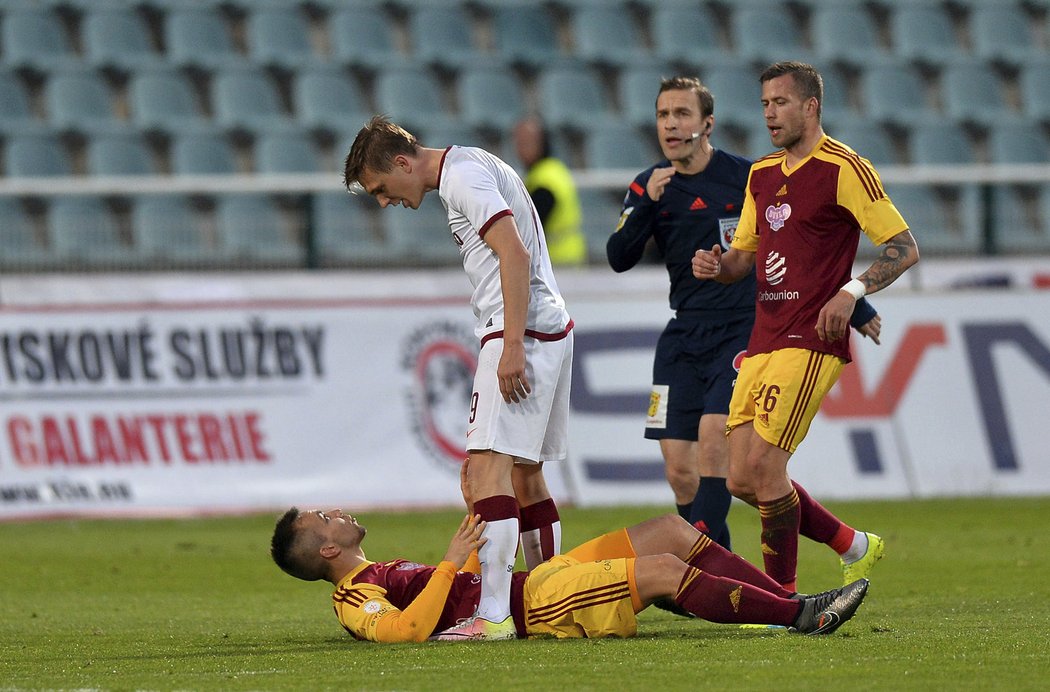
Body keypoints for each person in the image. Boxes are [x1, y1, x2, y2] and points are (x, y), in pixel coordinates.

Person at [607, 76, 881, 553]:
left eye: (682, 114)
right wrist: (648, 202)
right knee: (679, 470)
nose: (670, 125)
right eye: (662, 115)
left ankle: (703, 570)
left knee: (715, 439)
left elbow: (801, 245)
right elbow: (618, 255)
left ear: (707, 123)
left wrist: (857, 302)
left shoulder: (747, 176)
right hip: (683, 332)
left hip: (743, 328)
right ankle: (723, 565)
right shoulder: (649, 185)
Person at [691, 61, 920, 593]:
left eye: (781, 103)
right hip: (764, 338)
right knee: (741, 478)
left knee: (767, 465)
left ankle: (782, 601)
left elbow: (904, 248)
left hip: (813, 338)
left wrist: (853, 291)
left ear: (810, 106)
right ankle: (852, 544)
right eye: (765, 103)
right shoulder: (762, 173)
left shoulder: (845, 168)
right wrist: (716, 266)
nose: (770, 113)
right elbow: (742, 260)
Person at [342, 116, 574, 639]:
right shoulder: (470, 167)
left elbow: (513, 253)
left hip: (519, 330)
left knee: (484, 472)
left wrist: (512, 343)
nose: (385, 201)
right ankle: (549, 595)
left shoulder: (463, 178)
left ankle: (493, 615)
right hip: (547, 325)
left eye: (382, 188)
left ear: (402, 162)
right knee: (525, 473)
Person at [269, 504, 870, 642]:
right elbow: (407, 633)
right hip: (539, 608)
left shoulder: (381, 568)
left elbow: (461, 592)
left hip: (529, 583)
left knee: (671, 531)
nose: (338, 512)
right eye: (325, 517)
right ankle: (802, 616)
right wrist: (453, 562)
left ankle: (774, 603)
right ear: (324, 552)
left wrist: (479, 529)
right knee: (659, 570)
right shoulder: (353, 598)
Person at [512, 116, 587, 266]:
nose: (519, 148)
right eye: (518, 142)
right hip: (571, 259)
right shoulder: (555, 169)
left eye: (526, 142)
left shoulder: (544, 180)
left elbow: (529, 228)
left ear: (542, 143)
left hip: (557, 265)